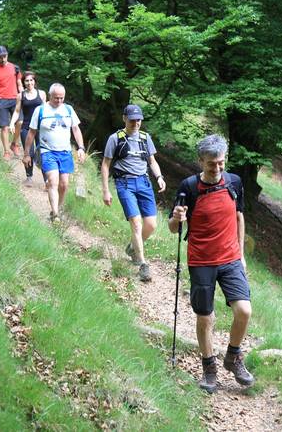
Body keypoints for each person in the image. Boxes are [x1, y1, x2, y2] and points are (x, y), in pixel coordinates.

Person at [167, 134, 254, 394]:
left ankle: (233, 357)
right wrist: (177, 217)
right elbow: (173, 228)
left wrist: (241, 253)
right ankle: (209, 367)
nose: (216, 169)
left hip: (230, 259)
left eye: (220, 163)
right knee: (205, 317)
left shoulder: (235, 182)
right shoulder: (189, 188)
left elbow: (239, 217)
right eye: (211, 164)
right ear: (200, 161)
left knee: (244, 310)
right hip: (201, 260)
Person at [101, 105, 166, 282]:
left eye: (138, 120)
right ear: (124, 119)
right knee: (136, 223)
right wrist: (106, 190)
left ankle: (132, 247)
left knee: (151, 225)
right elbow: (106, 164)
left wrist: (159, 177)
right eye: (132, 120)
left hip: (144, 182)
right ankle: (142, 263)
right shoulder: (115, 139)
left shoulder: (145, 138)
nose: (135, 123)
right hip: (124, 183)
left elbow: (152, 161)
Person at [22, 83, 85, 222]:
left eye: (62, 98)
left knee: (64, 184)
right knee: (52, 181)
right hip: (47, 150)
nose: (59, 101)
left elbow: (75, 129)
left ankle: (56, 208)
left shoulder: (68, 109)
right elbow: (31, 132)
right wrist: (27, 153)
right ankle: (56, 214)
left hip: (65, 152)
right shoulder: (41, 110)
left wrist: (81, 147)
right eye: (56, 98)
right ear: (50, 96)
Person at [0, 46, 23, 159]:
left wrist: (23, 96)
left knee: (20, 122)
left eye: (5, 56)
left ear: (7, 55)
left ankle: (15, 144)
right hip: (1, 100)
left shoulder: (15, 68)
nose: (3, 58)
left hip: (15, 99)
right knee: (5, 127)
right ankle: (6, 151)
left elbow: (19, 84)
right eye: (0, 56)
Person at [11, 71, 46, 185]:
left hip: (40, 128)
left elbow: (45, 111)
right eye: (27, 80)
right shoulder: (21, 95)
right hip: (26, 127)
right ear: (23, 82)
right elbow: (17, 111)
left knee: (43, 153)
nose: (29, 82)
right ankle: (29, 177)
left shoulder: (41, 94)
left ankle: (46, 181)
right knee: (28, 153)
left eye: (31, 80)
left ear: (35, 81)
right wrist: (12, 123)